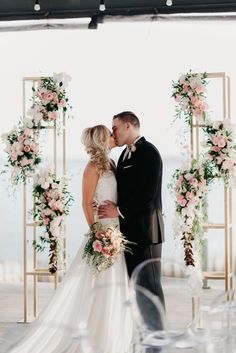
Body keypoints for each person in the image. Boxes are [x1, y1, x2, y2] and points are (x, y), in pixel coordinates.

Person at [4, 125, 133, 353]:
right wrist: (98, 234)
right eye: (110, 134)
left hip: (116, 232)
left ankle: (111, 338)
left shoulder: (111, 164)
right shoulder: (91, 168)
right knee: (97, 286)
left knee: (115, 287)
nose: (114, 137)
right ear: (103, 140)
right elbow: (85, 203)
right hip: (102, 235)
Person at [98, 112, 165, 306]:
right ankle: (143, 334)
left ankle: (157, 335)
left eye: (115, 128)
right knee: (135, 288)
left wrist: (117, 211)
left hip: (146, 233)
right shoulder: (123, 156)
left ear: (129, 126)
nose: (113, 132)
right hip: (128, 234)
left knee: (149, 288)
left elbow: (148, 195)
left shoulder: (149, 152)